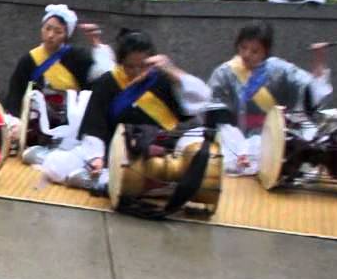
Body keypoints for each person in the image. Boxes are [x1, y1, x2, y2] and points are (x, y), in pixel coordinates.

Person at [35, 29, 211, 193]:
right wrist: (95, 158)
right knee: (55, 164)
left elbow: (201, 98)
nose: (136, 72)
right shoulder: (109, 82)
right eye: (129, 66)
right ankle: (99, 179)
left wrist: (172, 70)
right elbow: (95, 123)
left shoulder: (164, 78)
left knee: (192, 159)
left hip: (156, 151)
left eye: (142, 66)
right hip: (113, 150)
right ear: (120, 63)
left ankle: (102, 182)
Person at [207, 21, 332, 175]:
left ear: (265, 51)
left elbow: (309, 87)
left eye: (254, 51)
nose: (246, 55)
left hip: (271, 137)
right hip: (233, 136)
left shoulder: (280, 69)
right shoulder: (225, 72)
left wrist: (319, 59)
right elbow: (214, 104)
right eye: (243, 48)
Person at [6, 4, 114, 159]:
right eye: (47, 28)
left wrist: (96, 44)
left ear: (66, 35)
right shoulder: (29, 59)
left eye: (58, 31)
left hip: (72, 120)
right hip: (39, 120)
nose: (50, 35)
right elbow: (16, 92)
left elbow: (101, 78)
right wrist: (14, 121)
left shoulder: (78, 57)